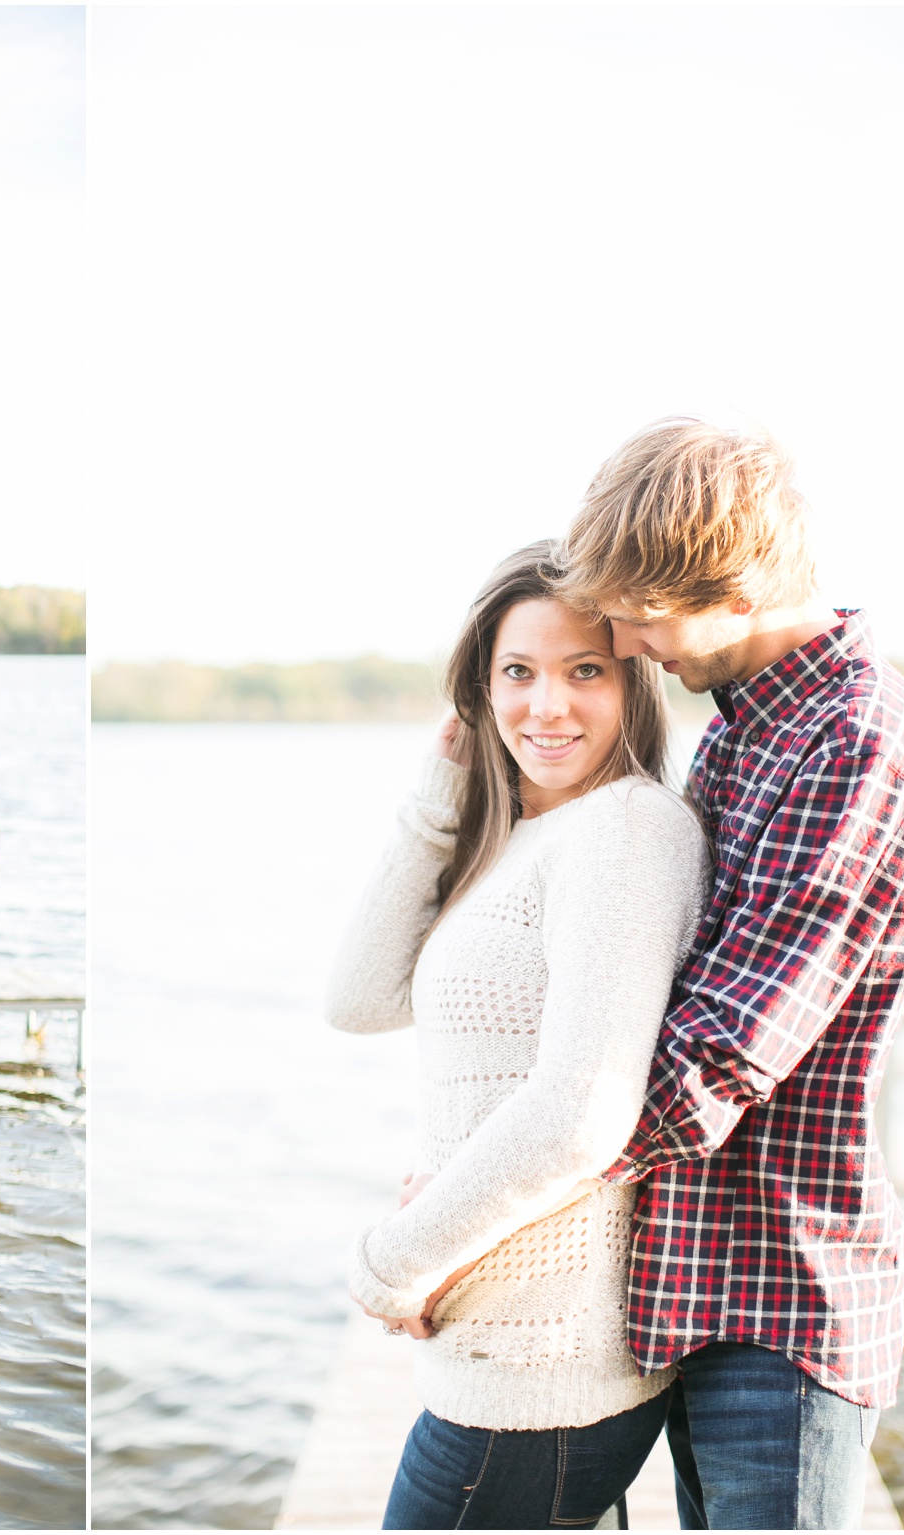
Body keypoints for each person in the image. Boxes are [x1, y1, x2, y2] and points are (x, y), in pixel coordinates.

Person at [557, 418, 904, 1529]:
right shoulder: (742, 731)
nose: (631, 645)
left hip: (778, 1293)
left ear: (735, 591)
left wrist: (515, 1191)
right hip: (692, 1270)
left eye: (643, 615)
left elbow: (728, 1046)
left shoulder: (855, 737)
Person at [326, 540, 710, 1530]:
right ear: (476, 689)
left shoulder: (622, 826)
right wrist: (436, 794)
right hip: (490, 1348)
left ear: (630, 683)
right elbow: (359, 996)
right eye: (516, 672)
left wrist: (390, 1262)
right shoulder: (531, 834)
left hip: (541, 1371)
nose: (546, 706)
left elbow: (580, 1113)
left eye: (584, 670)